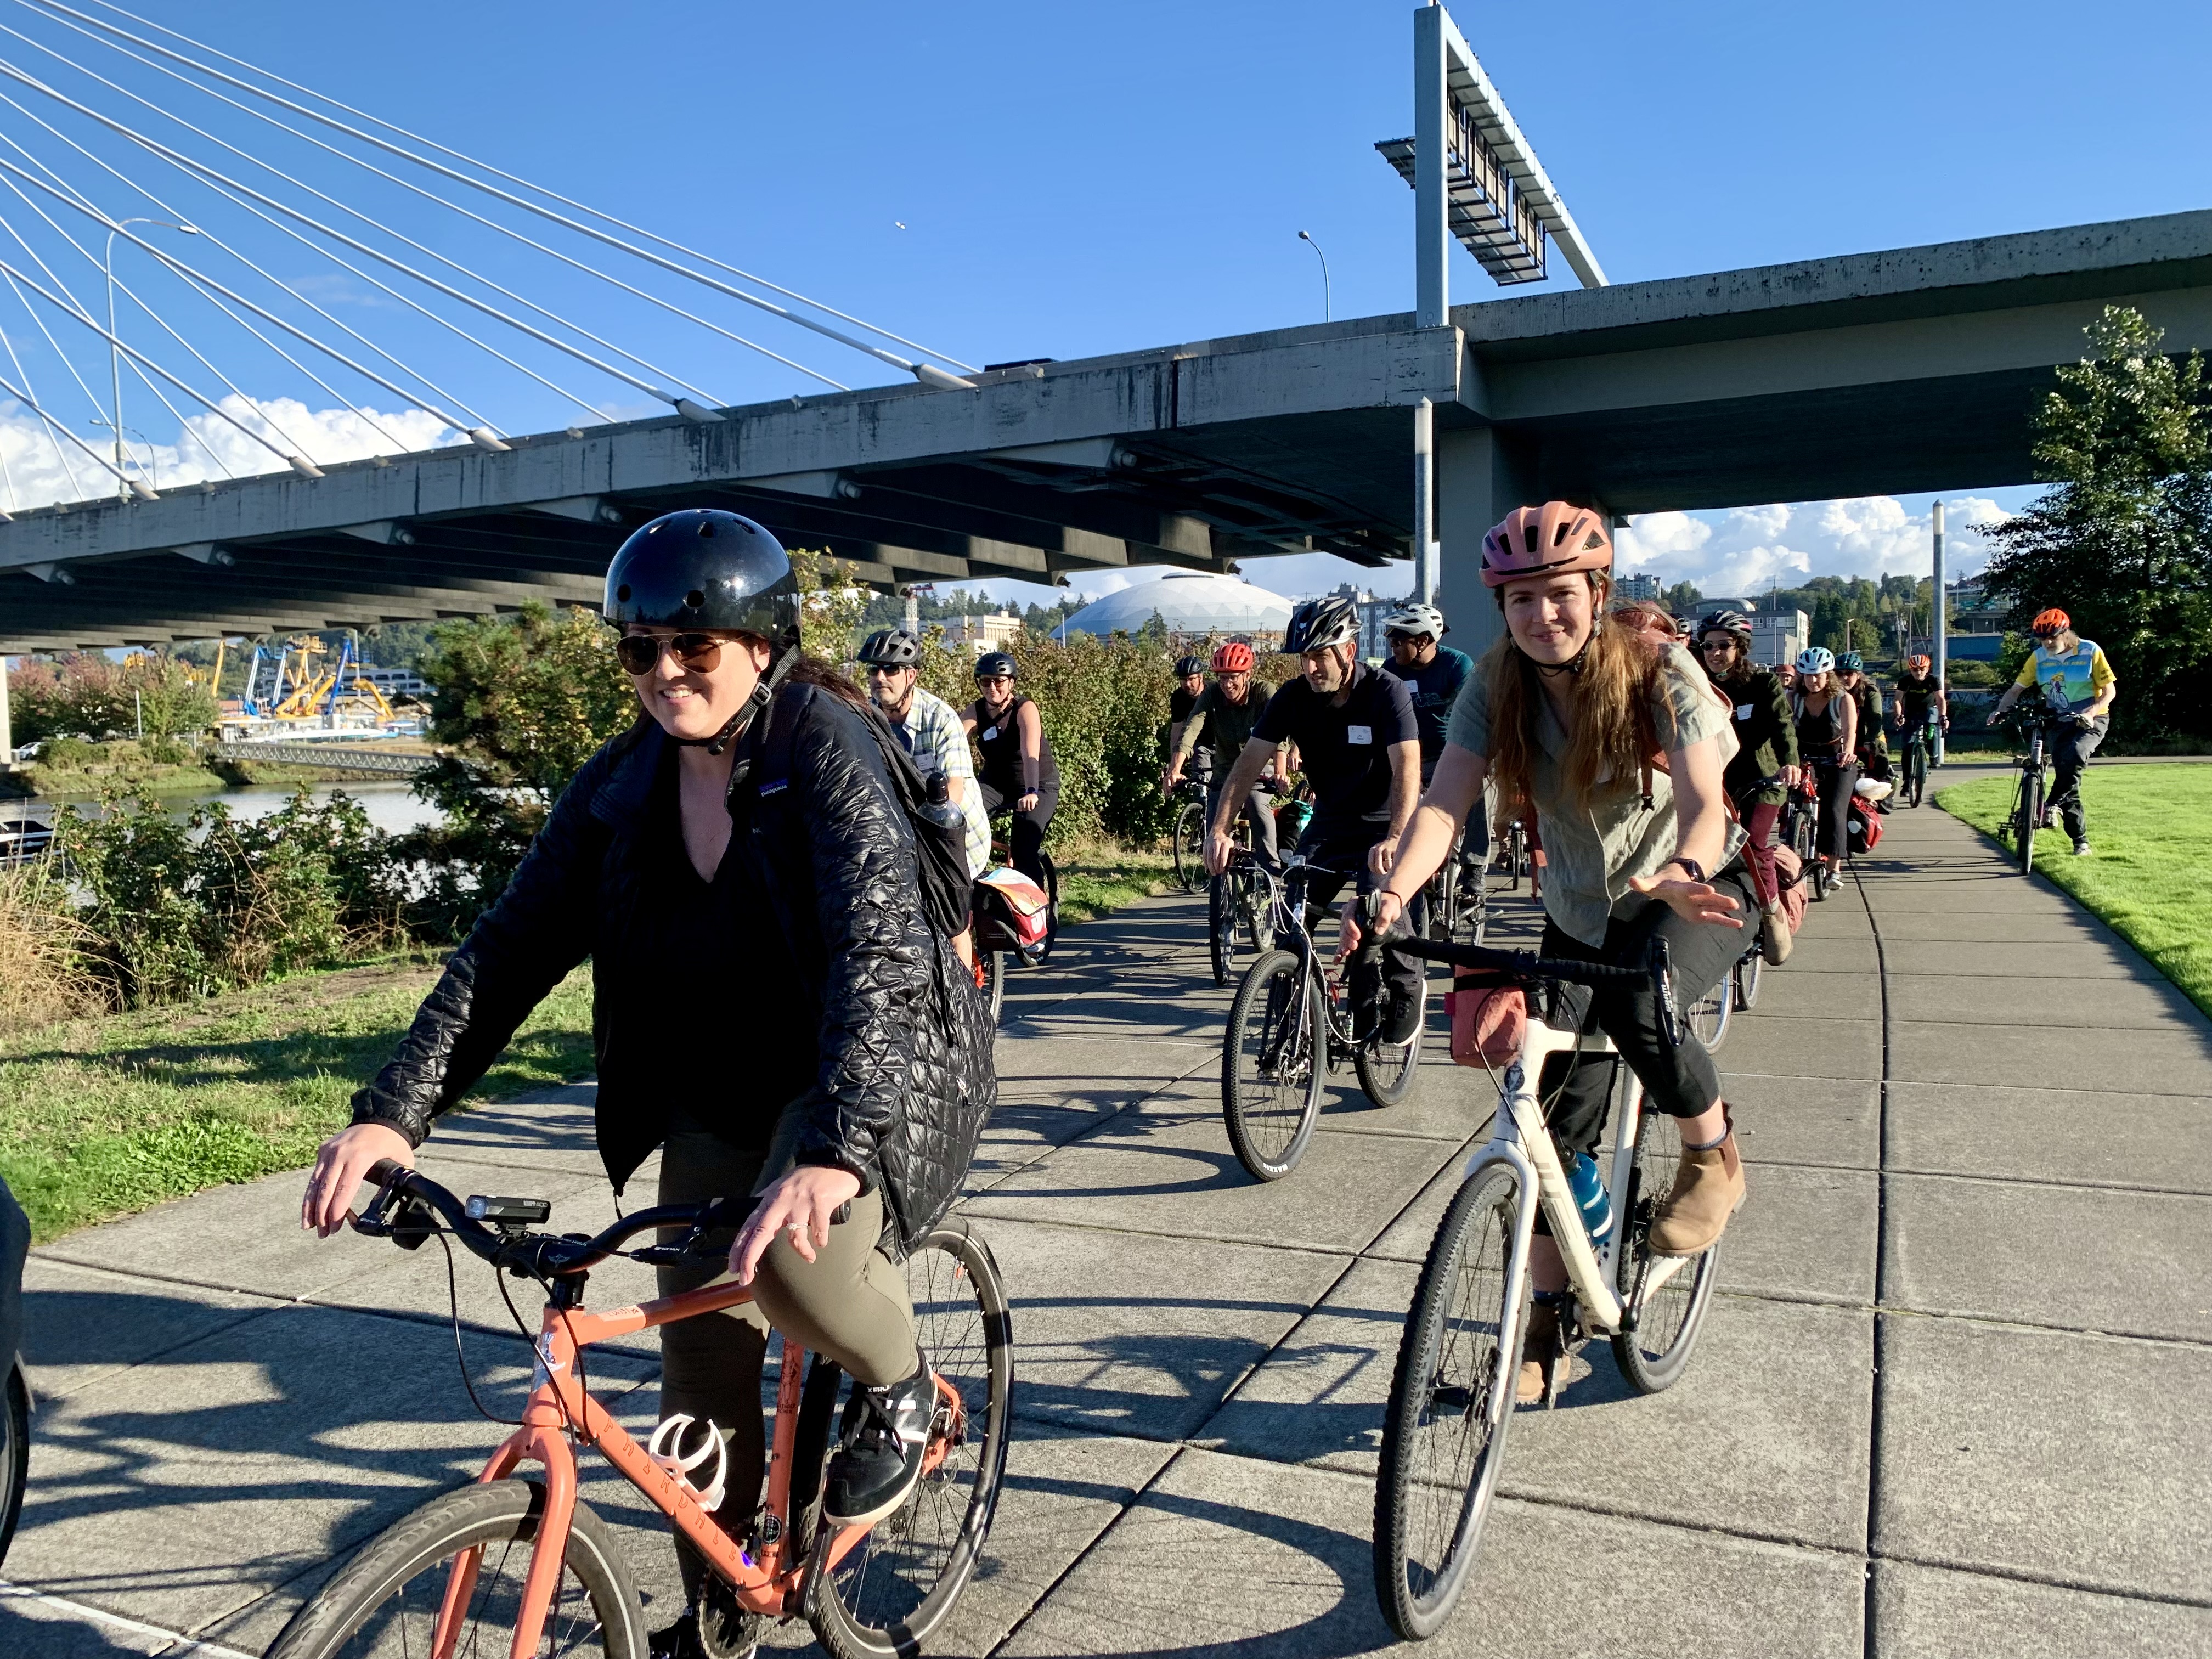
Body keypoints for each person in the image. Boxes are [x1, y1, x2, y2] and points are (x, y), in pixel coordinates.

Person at [296, 510, 995, 1659]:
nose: (666, 673)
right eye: (640, 651)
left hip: (870, 1074)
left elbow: (879, 960)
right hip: (721, 1086)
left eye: (695, 647)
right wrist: (393, 1115)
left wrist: (831, 1146)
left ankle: (905, 1392)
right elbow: (511, 947)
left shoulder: (830, 749)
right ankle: (721, 1617)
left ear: (761, 647)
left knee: (793, 1271)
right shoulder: (626, 780)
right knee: (698, 1372)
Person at [1352, 500, 1754, 1405]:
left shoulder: (1658, 668)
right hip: (1577, 909)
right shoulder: (1494, 684)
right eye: (1521, 599)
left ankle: (1713, 1157)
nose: (1543, 616)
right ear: (1501, 606)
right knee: (1544, 1127)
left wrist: (1683, 868)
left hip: (1694, 892)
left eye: (1560, 595)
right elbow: (1446, 803)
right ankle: (1545, 1319)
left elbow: (1703, 798)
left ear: (1596, 591)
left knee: (1642, 1000)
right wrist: (1389, 898)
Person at [1206, 594, 1424, 1043]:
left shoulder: (1387, 691)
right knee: (1293, 917)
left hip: (1385, 822)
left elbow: (1407, 766)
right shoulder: (1293, 698)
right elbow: (1248, 764)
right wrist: (1220, 830)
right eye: (1305, 658)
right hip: (1330, 821)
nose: (1310, 668)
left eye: (1320, 656)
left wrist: (1397, 836)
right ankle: (1292, 1026)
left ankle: (1407, 988)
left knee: (1377, 913)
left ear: (1348, 651)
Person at [1695, 611, 1798, 964]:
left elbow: (1783, 726)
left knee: (1753, 844)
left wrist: (1791, 762)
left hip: (1762, 779)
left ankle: (1773, 914)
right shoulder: (1697, 683)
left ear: (1740, 647)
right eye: (1708, 645)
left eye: (1724, 645)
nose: (1715, 653)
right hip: (1715, 779)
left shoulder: (1762, 683)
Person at [859, 627, 991, 882]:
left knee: (950, 919)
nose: (880, 677)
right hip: (902, 840)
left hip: (956, 843)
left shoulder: (941, 719)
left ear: (911, 675)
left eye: (891, 669)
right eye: (873, 669)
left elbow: (955, 791)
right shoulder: (866, 717)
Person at [1987, 608, 2116, 856]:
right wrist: (1999, 711)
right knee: (2069, 777)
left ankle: (2051, 804)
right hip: (2058, 720)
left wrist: (2091, 712)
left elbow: (2110, 691)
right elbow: (2016, 689)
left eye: (2052, 637)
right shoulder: (2039, 657)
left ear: (2065, 633)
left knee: (2076, 755)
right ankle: (2081, 841)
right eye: (2042, 639)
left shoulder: (2090, 651)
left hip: (2092, 718)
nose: (2047, 643)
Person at [1163, 640, 1283, 872]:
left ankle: (1271, 866)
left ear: (1247, 675)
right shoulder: (1211, 695)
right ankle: (1217, 873)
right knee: (1215, 820)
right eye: (1222, 678)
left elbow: (1280, 732)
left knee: (1258, 806)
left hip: (1260, 767)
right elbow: (1190, 731)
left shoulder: (1264, 692)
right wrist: (1175, 769)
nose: (1227, 685)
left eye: (1233, 677)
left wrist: (1280, 770)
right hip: (1226, 768)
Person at [963, 651, 1060, 888]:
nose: (992, 687)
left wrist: (1030, 791)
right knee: (962, 815)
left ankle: (1036, 913)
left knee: (1023, 850)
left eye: (999, 681)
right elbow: (952, 739)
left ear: (1011, 683)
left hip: (1037, 785)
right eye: (986, 681)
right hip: (996, 784)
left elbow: (1030, 755)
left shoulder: (1024, 709)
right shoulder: (976, 710)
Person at [1791, 646, 1859, 881]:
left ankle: (1834, 868)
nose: (1812, 680)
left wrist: (1848, 753)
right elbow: (1785, 729)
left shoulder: (1843, 699)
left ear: (1829, 675)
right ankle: (1791, 845)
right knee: (1791, 804)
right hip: (1804, 756)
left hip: (1836, 758)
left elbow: (1850, 731)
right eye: (1807, 675)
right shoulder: (1794, 698)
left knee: (1833, 808)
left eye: (1818, 675)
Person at [1890, 652, 1947, 787]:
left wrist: (1943, 716)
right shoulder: (1905, 681)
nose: (1919, 672)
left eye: (1922, 669)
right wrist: (1899, 716)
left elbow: (1940, 699)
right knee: (1906, 746)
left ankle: (1934, 755)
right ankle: (1907, 781)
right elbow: (1898, 700)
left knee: (1930, 723)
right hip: (1911, 712)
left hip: (1929, 709)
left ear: (1927, 669)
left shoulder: (1934, 680)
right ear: (1910, 670)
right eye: (1915, 670)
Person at [1835, 652, 1888, 779]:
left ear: (1858, 675)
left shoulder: (1870, 693)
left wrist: (1869, 741)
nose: (1844, 678)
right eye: (1840, 674)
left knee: (1878, 755)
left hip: (1867, 736)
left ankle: (1883, 785)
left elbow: (1875, 720)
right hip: (1841, 738)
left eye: (1849, 673)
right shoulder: (1831, 694)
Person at [1167, 654, 1207, 761]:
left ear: (1200, 677)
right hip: (1198, 744)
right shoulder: (1178, 697)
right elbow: (1177, 730)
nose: (1188, 684)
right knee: (1201, 775)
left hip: (1221, 743)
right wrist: (1174, 764)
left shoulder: (1214, 692)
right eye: (1183, 680)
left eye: (1191, 679)